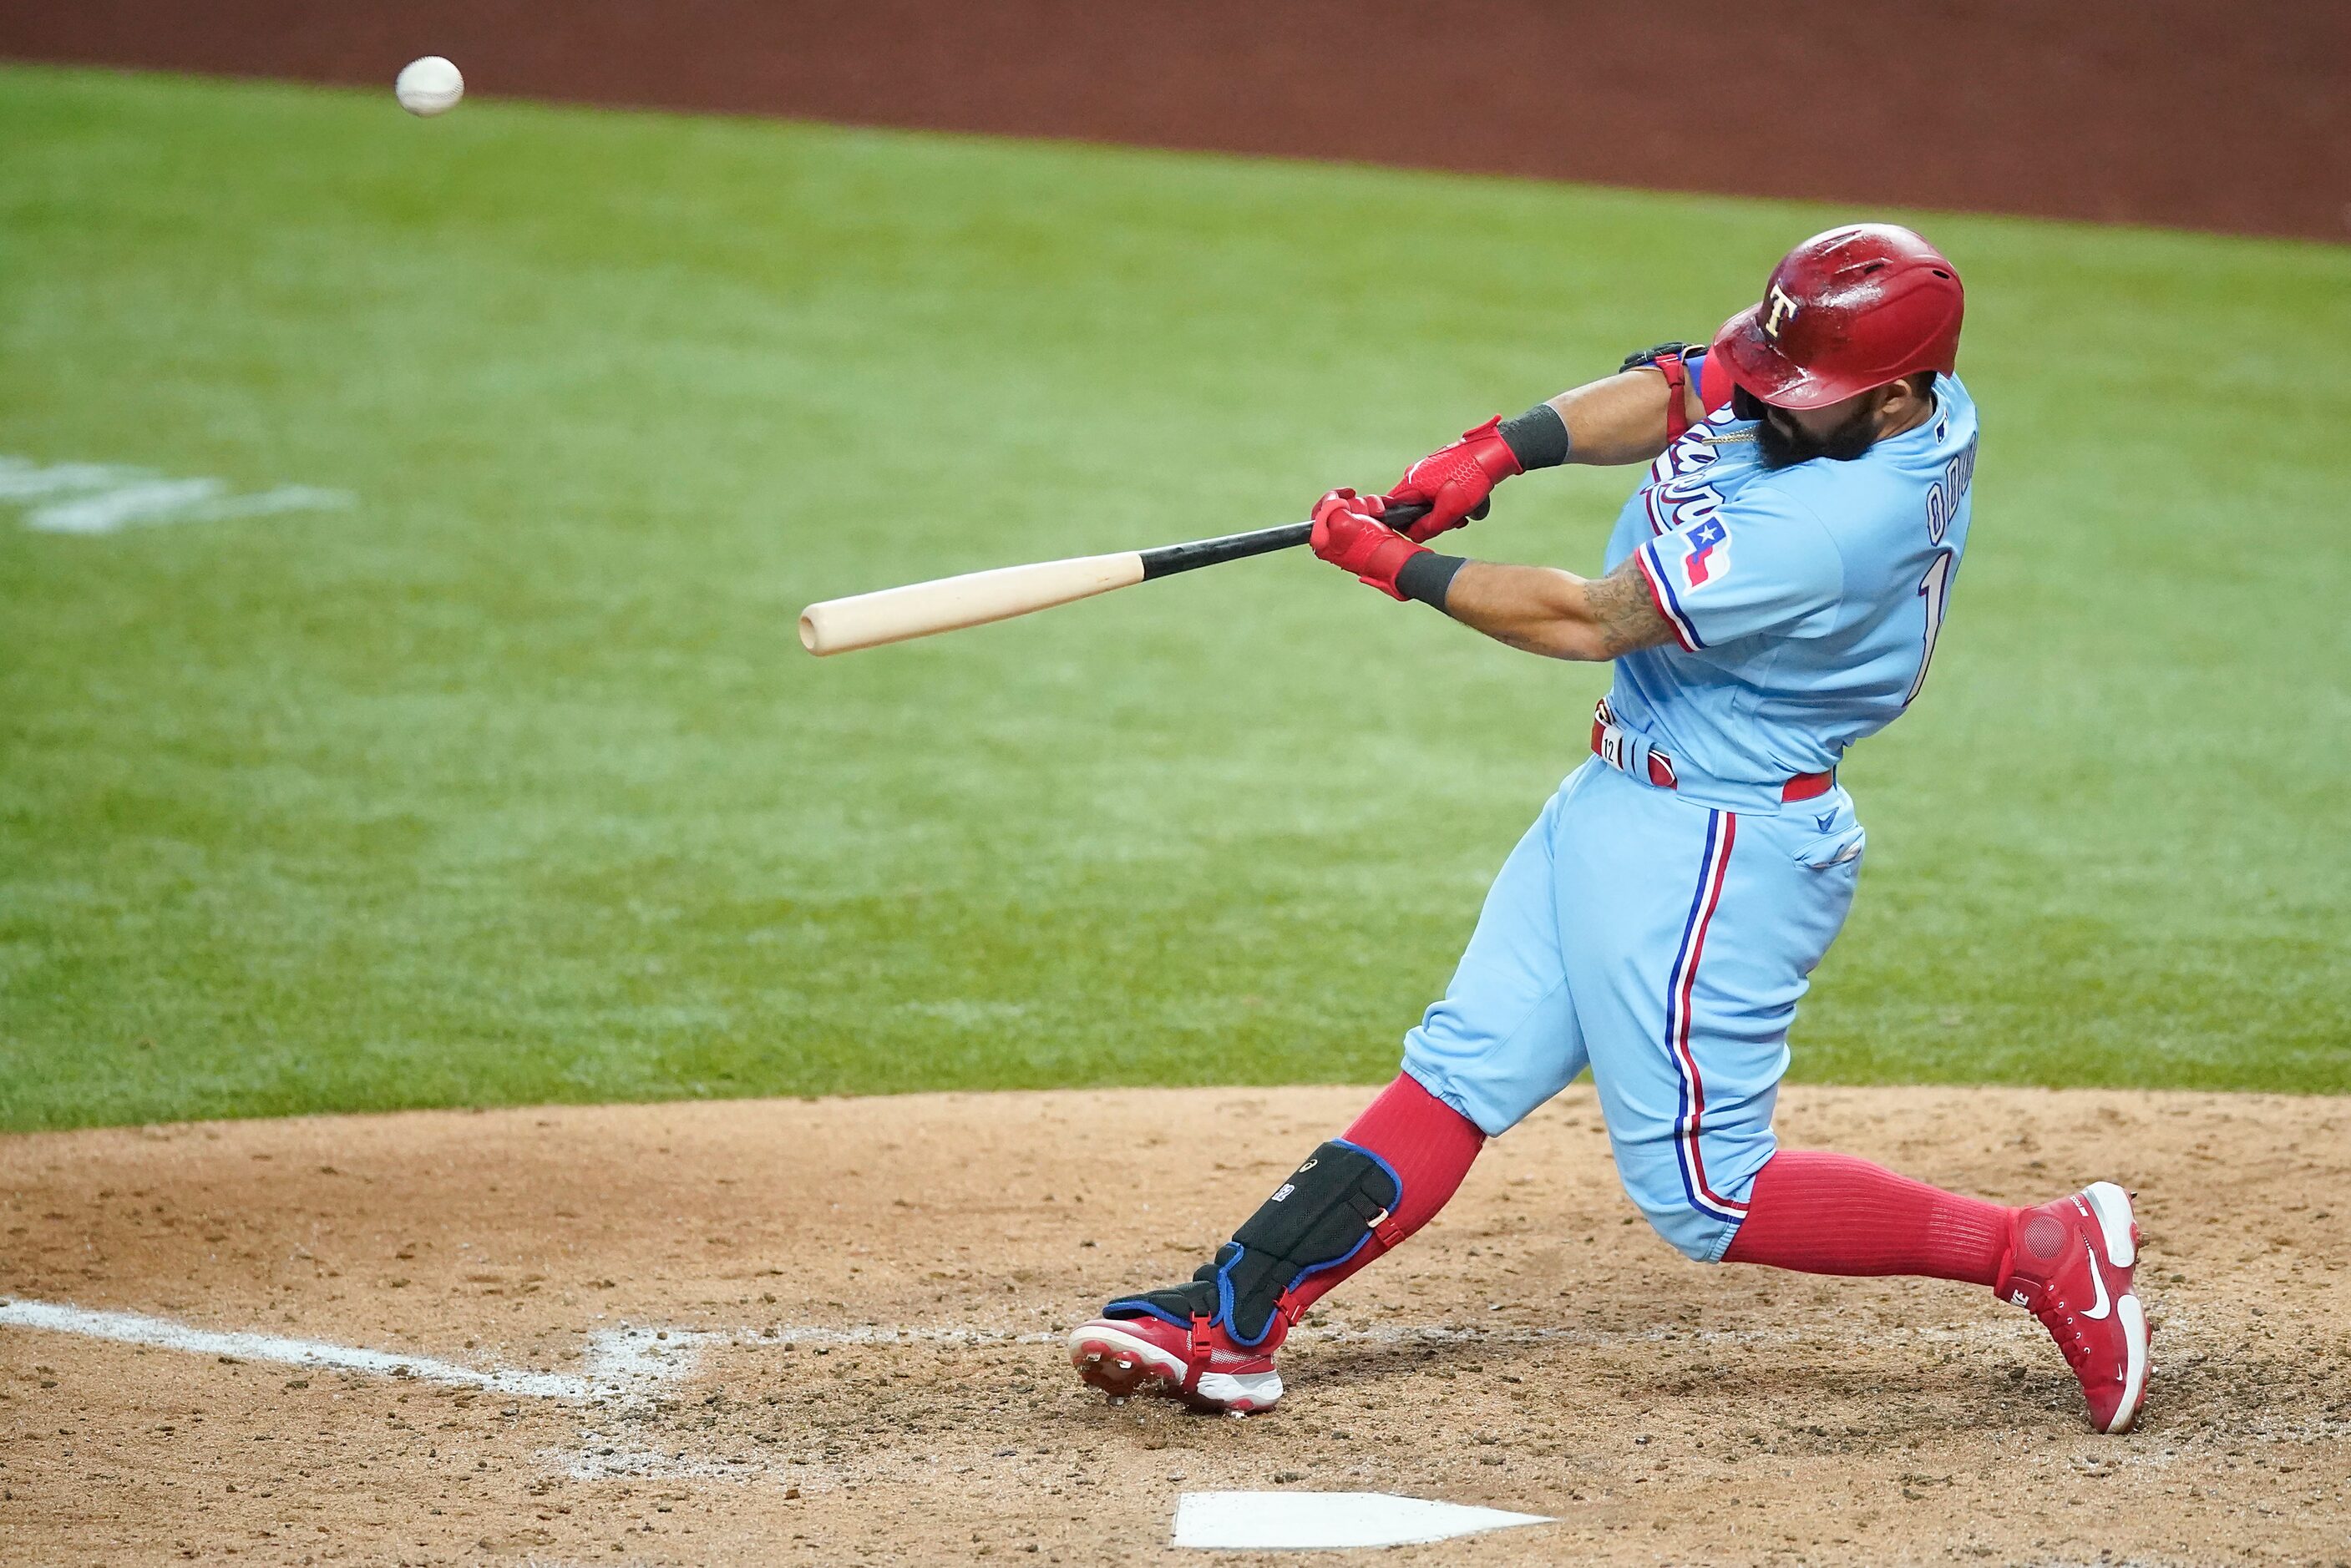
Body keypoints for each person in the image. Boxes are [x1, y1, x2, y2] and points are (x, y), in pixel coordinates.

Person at [1066, 224, 2150, 1434]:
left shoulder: (1834, 528)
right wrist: (1500, 449)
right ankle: (1234, 1319)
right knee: (1465, 1062)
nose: (1770, 405)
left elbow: (1597, 618)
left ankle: (2040, 1247)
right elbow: (1694, 385)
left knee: (1704, 1192)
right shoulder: (1866, 388)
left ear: (1898, 399)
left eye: (1805, 397)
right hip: (1620, 802)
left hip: (1718, 843)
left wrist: (1393, 564)